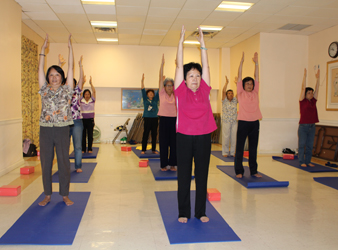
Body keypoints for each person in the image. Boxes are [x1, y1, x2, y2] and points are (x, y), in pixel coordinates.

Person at [174, 25, 217, 223]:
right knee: (183, 176)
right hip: (183, 137)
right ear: (184, 79)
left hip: (203, 137)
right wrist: (181, 42)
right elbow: (177, 66)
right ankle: (184, 212)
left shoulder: (204, 91)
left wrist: (203, 45)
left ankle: (200, 212)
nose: (195, 78)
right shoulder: (180, 92)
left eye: (197, 75)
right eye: (191, 75)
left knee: (202, 175)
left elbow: (206, 67)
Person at [38, 34, 74, 206]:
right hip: (45, 129)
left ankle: (65, 194)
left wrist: (70, 48)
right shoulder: (43, 89)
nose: (54, 78)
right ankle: (47, 194)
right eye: (51, 75)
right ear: (48, 78)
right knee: (45, 163)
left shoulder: (67, 90)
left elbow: (72, 68)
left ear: (62, 77)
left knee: (63, 162)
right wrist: (42, 51)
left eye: (57, 75)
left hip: (62, 129)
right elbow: (40, 70)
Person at [235, 52, 262, 179]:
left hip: (254, 122)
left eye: (251, 84)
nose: (250, 85)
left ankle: (253, 171)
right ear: (243, 86)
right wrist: (241, 62)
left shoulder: (256, 92)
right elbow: (239, 76)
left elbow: (257, 76)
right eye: (247, 84)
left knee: (253, 148)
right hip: (243, 122)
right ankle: (239, 171)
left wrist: (256, 63)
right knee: (240, 148)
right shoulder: (240, 93)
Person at [158, 54, 177, 171]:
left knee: (174, 144)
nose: (169, 87)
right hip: (164, 120)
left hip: (174, 120)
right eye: (167, 85)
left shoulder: (176, 95)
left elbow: (178, 78)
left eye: (171, 85)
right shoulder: (162, 94)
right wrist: (162, 65)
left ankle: (173, 164)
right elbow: (160, 78)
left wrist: (177, 66)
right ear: (164, 87)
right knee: (164, 143)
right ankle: (164, 164)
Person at [298, 68, 320, 167]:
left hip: (312, 126)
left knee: (310, 145)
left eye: (312, 92)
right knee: (302, 144)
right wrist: (304, 76)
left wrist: (318, 79)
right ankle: (302, 161)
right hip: (303, 127)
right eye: (309, 93)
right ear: (306, 94)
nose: (311, 94)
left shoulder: (313, 101)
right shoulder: (302, 101)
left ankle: (308, 161)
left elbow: (317, 89)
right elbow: (303, 88)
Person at [141, 73, 159, 154]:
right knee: (146, 134)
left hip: (155, 118)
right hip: (147, 118)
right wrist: (142, 81)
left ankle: (153, 149)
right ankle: (143, 149)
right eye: (149, 93)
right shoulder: (145, 100)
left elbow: (160, 89)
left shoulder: (155, 100)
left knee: (154, 135)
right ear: (147, 94)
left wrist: (161, 80)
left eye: (152, 93)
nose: (151, 94)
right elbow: (142, 89)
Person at [222, 75, 238, 157]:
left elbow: (239, 92)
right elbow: (223, 91)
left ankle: (232, 152)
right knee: (226, 136)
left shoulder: (235, 100)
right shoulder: (224, 101)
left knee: (234, 137)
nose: (230, 95)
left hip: (234, 121)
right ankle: (225, 152)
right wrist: (226, 83)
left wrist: (237, 84)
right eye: (229, 93)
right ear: (226, 94)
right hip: (226, 121)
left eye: (231, 93)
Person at [80, 76, 96, 153]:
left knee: (90, 135)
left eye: (88, 94)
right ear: (84, 95)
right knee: (83, 136)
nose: (87, 95)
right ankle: (83, 149)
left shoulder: (92, 100)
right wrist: (82, 83)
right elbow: (79, 91)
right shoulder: (81, 100)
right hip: (82, 120)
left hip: (90, 120)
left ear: (90, 95)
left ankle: (89, 148)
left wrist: (91, 84)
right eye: (85, 94)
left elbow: (94, 91)